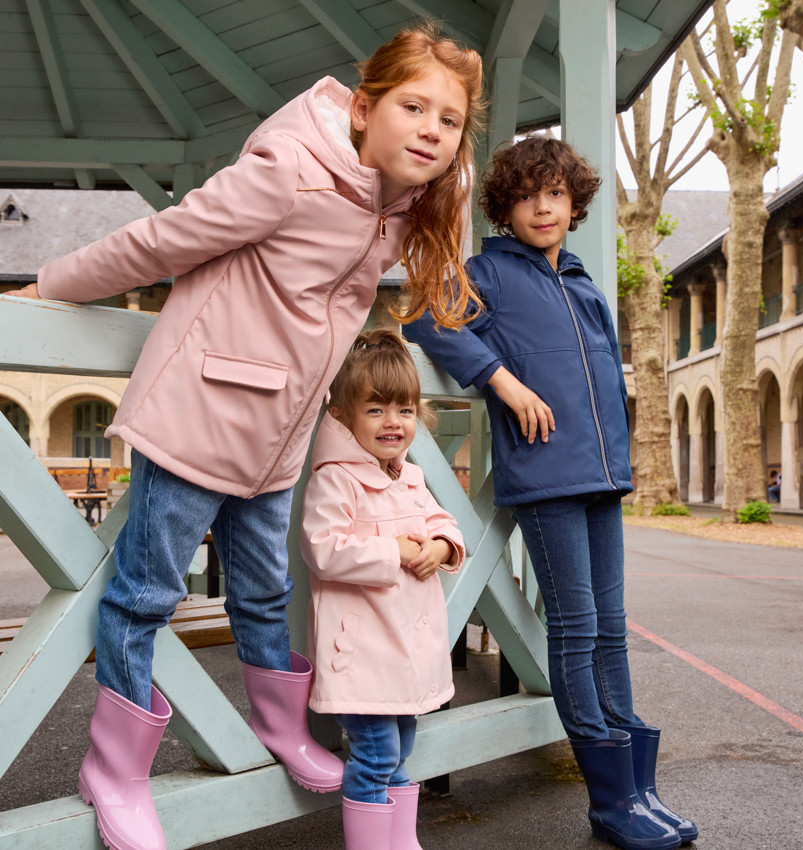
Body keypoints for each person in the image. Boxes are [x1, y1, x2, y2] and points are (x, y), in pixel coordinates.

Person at [5, 25, 482, 850]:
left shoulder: (394, 212)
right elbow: (161, 240)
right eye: (414, 106)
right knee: (146, 596)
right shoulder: (289, 174)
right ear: (363, 108)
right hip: (195, 421)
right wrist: (46, 288)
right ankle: (114, 770)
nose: (433, 129)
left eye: (451, 119)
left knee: (262, 593)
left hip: (276, 446)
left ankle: (278, 728)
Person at [405, 135, 697, 850]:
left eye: (558, 194)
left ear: (575, 203)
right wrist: (500, 379)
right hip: (545, 475)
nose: (545, 206)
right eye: (530, 195)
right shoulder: (491, 274)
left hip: (601, 476)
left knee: (611, 626)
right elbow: (426, 317)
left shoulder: (584, 281)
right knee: (574, 625)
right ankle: (608, 799)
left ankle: (638, 787)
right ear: (507, 206)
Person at [300, 330, 464, 850]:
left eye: (405, 410)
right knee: (375, 755)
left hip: (405, 652)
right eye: (375, 410)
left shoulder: (410, 476)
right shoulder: (335, 479)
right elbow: (322, 548)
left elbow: (442, 520)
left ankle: (400, 840)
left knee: (401, 749)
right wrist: (392, 549)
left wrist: (441, 546)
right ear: (345, 417)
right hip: (364, 652)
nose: (393, 422)